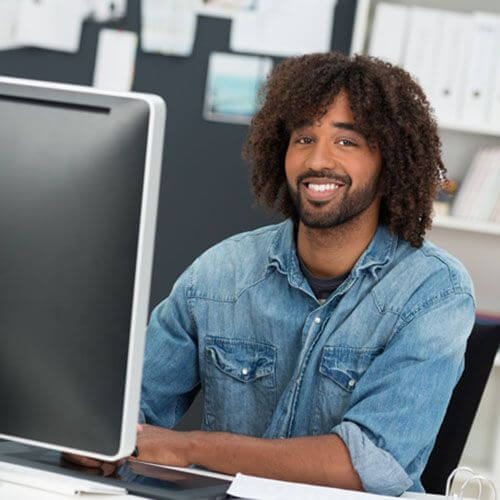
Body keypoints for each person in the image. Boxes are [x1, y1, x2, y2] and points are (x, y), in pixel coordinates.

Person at [68, 52, 476, 495]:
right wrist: (99, 436)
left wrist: (189, 448)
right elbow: (133, 405)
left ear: (389, 162)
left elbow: (369, 465)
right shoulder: (219, 275)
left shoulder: (435, 293)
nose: (318, 160)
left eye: (347, 142)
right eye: (303, 138)